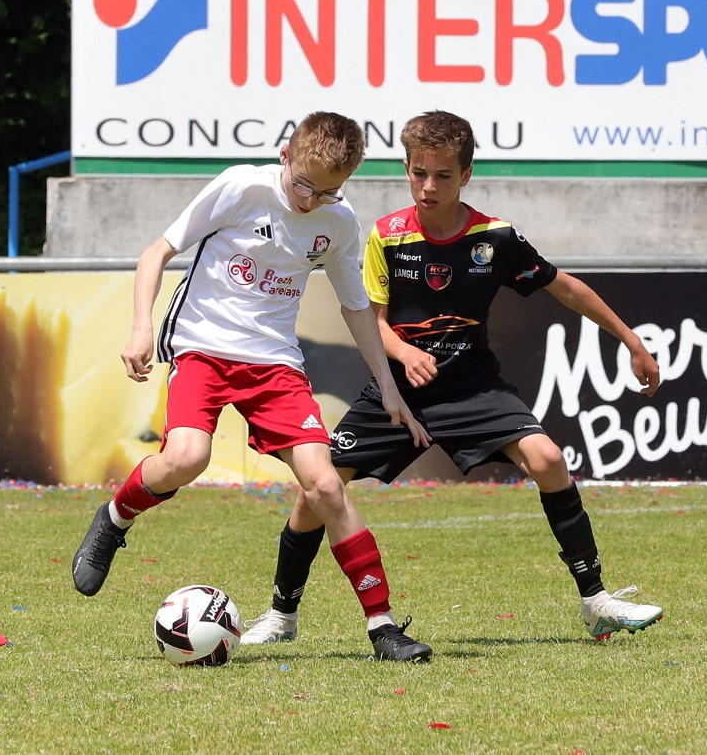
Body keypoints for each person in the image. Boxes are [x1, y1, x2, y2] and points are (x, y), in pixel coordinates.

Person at [241, 110, 665, 646]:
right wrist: (404, 353)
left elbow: (566, 288)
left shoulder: (495, 237)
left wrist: (631, 340)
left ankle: (596, 602)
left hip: (473, 389)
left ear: (466, 174)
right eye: (418, 173)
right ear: (406, 169)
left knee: (548, 459)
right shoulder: (386, 236)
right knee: (316, 491)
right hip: (399, 394)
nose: (428, 186)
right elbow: (371, 319)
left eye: (442, 175)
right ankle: (282, 616)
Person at [70, 111, 438, 661]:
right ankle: (114, 519)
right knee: (186, 458)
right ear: (284, 156)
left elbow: (356, 307)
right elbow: (157, 253)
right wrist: (142, 328)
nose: (311, 201)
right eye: (304, 186)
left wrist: (388, 384)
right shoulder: (241, 187)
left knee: (325, 486)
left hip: (275, 364)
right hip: (203, 346)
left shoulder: (338, 221)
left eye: (328, 192)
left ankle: (383, 628)